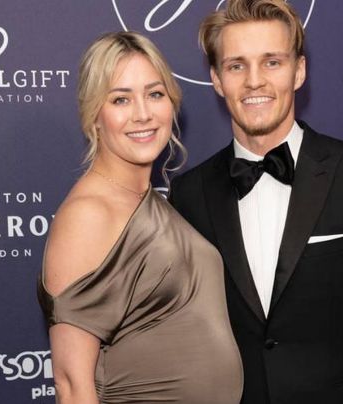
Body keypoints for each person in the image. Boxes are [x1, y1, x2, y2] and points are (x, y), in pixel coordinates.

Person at [169, 1, 343, 403]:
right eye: (236, 66)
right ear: (216, 79)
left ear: (299, 71)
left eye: (272, 62)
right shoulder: (189, 194)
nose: (254, 81)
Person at [37, 31, 243, 404]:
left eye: (154, 94)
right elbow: (71, 385)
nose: (143, 114)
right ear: (94, 115)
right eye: (121, 99)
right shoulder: (89, 214)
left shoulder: (149, 201)